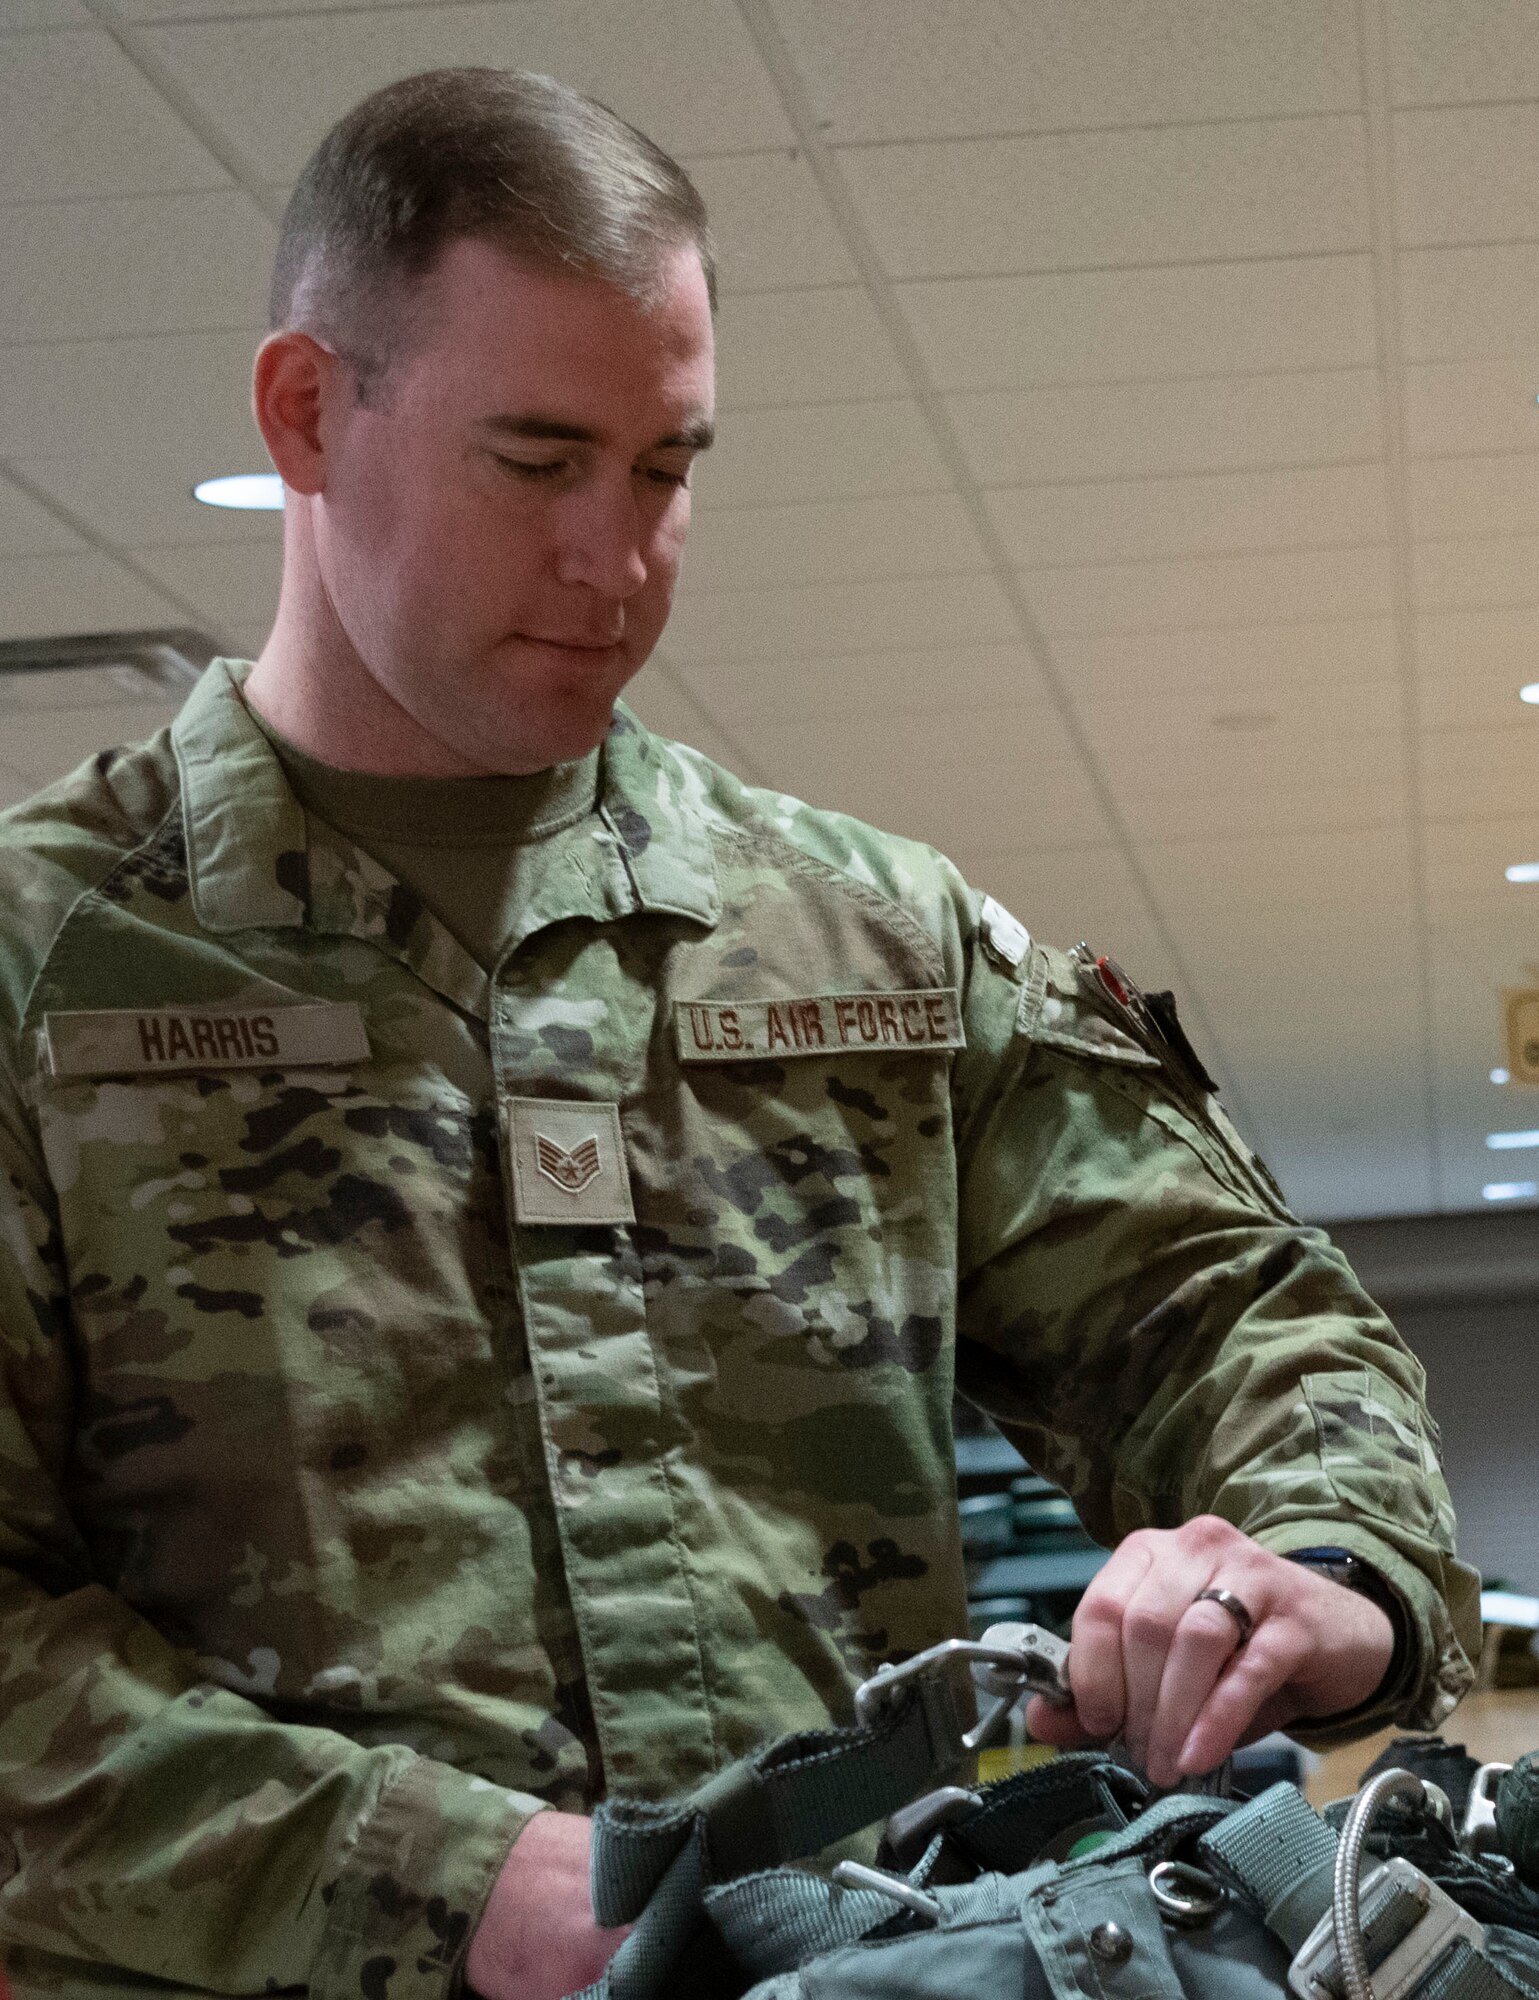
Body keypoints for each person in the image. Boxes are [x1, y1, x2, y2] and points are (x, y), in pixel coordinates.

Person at [0, 66, 1477, 2000]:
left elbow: (1233, 1308)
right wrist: (441, 1881)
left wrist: (1320, 1566)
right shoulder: (54, 965)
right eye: (537, 464)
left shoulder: (867, 937)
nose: (618, 564)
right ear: (306, 414)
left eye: (666, 469)